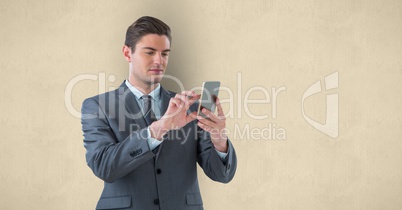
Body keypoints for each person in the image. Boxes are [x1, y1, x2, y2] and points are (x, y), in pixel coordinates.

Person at [81, 16, 237, 210]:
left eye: (164, 53)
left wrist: (219, 139)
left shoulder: (188, 108)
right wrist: (158, 129)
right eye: (150, 52)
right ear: (127, 53)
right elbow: (104, 166)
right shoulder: (97, 106)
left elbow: (221, 174)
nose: (159, 61)